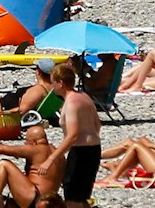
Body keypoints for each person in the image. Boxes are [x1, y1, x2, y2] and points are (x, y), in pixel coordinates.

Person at [41, 64, 100, 208]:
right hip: (94, 149)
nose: (52, 86)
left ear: (60, 83)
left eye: (53, 82)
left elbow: (73, 135)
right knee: (82, 196)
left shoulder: (71, 102)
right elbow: (97, 125)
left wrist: (50, 159)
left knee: (72, 198)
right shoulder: (84, 96)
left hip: (81, 152)